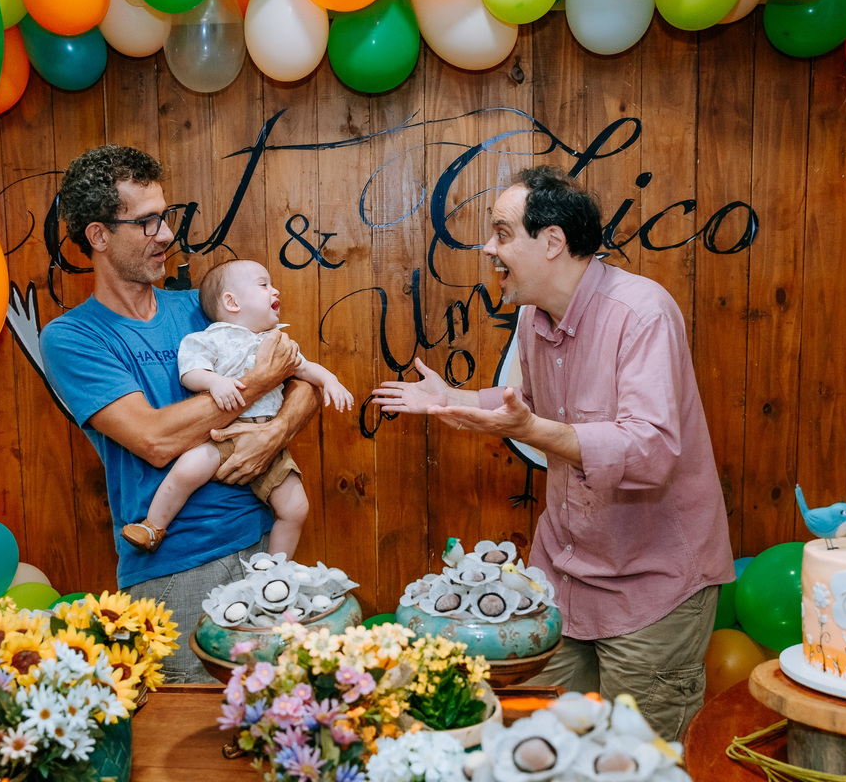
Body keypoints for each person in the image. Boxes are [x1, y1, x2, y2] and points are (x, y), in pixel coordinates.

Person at [371, 166, 735, 741]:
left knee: (635, 762)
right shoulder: (533, 315)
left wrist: (535, 429)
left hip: (653, 585)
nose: (488, 248)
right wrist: (452, 398)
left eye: (501, 232)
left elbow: (651, 448)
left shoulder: (642, 313)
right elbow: (528, 405)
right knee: (543, 743)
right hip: (562, 576)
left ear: (552, 241)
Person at [38, 145, 320, 683]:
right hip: (175, 571)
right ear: (99, 236)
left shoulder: (202, 305)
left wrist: (278, 429)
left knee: (286, 723)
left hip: (266, 543)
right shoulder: (74, 338)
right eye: (146, 222)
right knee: (195, 746)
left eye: (163, 216)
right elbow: (153, 440)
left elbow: (299, 372)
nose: (165, 233)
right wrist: (258, 381)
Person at [122, 258, 353, 559]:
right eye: (263, 285)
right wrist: (215, 382)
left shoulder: (277, 341)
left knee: (296, 508)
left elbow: (304, 369)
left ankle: (273, 571)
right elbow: (190, 373)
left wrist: (330, 380)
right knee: (186, 471)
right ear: (231, 302)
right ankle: (153, 526)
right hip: (221, 436)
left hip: (269, 438)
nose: (275, 290)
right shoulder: (209, 339)